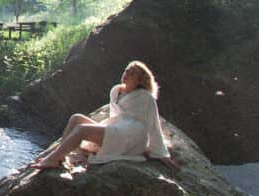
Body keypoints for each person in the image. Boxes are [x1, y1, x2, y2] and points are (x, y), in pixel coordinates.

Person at [27, 60, 180, 171]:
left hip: (132, 135)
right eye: (126, 70)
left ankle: (53, 159)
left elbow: (153, 125)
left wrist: (161, 153)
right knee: (76, 118)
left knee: (82, 130)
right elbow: (116, 117)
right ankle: (59, 155)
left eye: (131, 73)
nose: (126, 74)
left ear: (140, 80)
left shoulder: (146, 97)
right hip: (118, 129)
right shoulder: (116, 91)